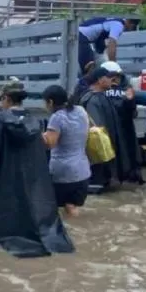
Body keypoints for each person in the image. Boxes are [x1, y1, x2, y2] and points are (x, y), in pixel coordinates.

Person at [0, 79, 75, 257]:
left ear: (7, 98)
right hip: (29, 180)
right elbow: (39, 153)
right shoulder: (34, 120)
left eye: (1, 99)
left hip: (4, 180)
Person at [41, 85, 91, 217]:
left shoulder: (57, 117)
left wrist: (36, 134)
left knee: (56, 210)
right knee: (72, 207)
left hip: (63, 173)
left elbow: (50, 143)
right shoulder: (81, 110)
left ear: (50, 102)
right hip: (83, 171)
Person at [79, 67, 132, 190]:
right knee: (99, 182)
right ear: (100, 80)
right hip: (99, 153)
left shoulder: (100, 97)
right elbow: (96, 133)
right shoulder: (92, 100)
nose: (111, 80)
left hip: (105, 149)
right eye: (108, 77)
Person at [101, 61, 144, 183]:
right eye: (113, 76)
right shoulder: (101, 91)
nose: (115, 79)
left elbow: (131, 111)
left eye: (117, 76)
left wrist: (129, 102)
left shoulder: (126, 89)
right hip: (112, 128)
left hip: (122, 127)